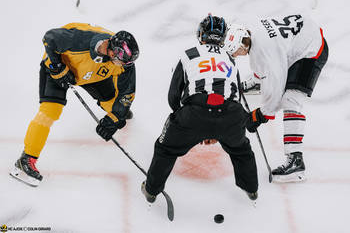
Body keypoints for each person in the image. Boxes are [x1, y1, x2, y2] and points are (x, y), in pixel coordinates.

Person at [141, 14, 259, 203]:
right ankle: (251, 189)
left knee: (166, 148)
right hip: (230, 113)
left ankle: (151, 189)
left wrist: (190, 124)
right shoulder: (230, 59)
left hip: (195, 110)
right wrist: (216, 129)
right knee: (241, 150)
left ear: (201, 34)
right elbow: (236, 98)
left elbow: (173, 96)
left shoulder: (189, 54)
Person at [10, 23, 139, 187]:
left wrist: (116, 116)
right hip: (60, 70)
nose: (124, 66)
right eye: (121, 60)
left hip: (93, 74)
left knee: (115, 106)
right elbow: (49, 38)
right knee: (50, 112)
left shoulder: (123, 63)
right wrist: (58, 66)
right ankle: (26, 159)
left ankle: (115, 111)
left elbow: (127, 92)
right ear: (112, 49)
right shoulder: (80, 40)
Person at [223, 14, 328, 182]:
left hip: (312, 49)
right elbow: (263, 60)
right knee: (272, 68)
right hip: (302, 34)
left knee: (291, 100)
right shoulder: (253, 31)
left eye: (234, 52)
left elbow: (276, 90)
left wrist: (260, 114)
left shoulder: (264, 51)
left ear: (241, 46)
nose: (235, 55)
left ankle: (296, 161)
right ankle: (257, 82)